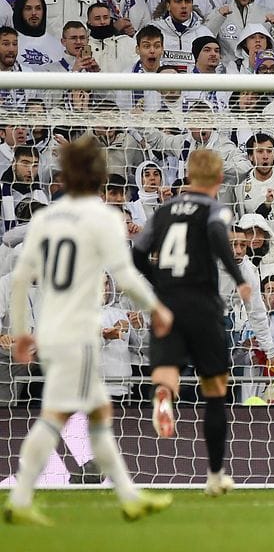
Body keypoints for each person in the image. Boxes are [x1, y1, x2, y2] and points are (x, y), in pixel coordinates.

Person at [4, 136, 173, 525]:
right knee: (55, 416)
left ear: (63, 176)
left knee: (99, 412)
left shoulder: (45, 218)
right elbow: (127, 276)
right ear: (98, 175)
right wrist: (158, 308)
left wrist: (22, 331)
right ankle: (21, 497)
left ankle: (129, 495)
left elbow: (18, 280)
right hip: (79, 334)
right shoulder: (102, 218)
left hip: (51, 330)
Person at [130, 149, 250, 497]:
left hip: (167, 303)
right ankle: (215, 475)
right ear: (219, 179)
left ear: (188, 174)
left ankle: (164, 396)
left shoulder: (163, 210)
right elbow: (215, 236)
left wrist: (160, 282)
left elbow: (136, 253)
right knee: (215, 391)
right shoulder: (213, 208)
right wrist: (238, 277)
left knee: (166, 371)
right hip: (202, 303)